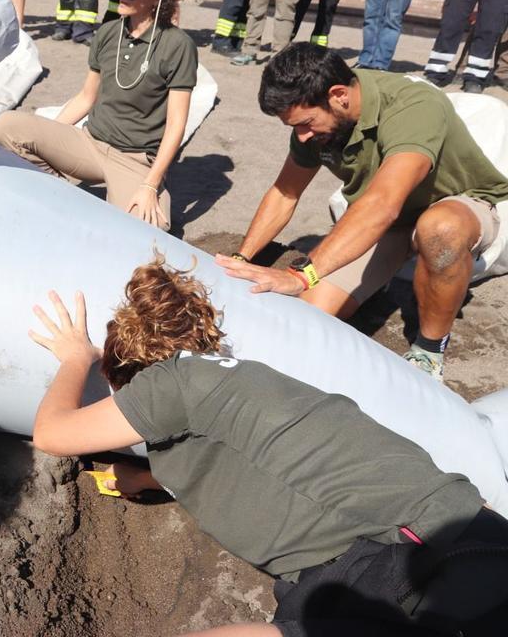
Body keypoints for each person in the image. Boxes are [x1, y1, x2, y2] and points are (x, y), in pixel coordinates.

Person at [29, 255, 508, 637]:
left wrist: (76, 358)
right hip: (449, 536)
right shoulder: (242, 381)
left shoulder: (169, 383)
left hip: (407, 556)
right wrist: (147, 477)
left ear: (129, 375)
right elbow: (242, 450)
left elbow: (53, 433)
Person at [218, 44, 508, 379]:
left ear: (339, 94)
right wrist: (242, 258)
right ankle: (379, 278)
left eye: (307, 123)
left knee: (439, 229)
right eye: (294, 126)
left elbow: (383, 203)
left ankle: (429, 350)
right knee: (304, 321)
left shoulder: (413, 105)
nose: (302, 135)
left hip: (453, 204)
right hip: (388, 220)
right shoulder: (315, 124)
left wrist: (303, 275)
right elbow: (286, 193)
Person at [0, 0, 197, 232]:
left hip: (134, 159)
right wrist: (48, 142)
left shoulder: (178, 45)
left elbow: (177, 124)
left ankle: (127, 195)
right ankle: (64, 196)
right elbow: (86, 98)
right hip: (90, 143)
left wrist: (150, 184)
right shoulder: (108, 32)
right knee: (7, 125)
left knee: (151, 235)